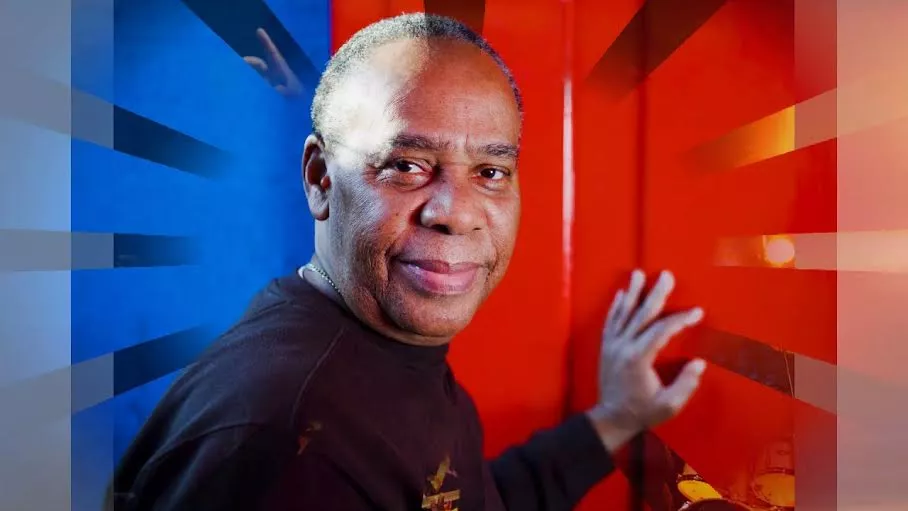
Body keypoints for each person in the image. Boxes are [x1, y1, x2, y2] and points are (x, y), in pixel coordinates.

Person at [107, 13, 706, 511]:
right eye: (406, 165)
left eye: (490, 172)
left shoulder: (374, 356)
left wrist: (618, 417)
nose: (456, 213)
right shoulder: (290, 445)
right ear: (319, 179)